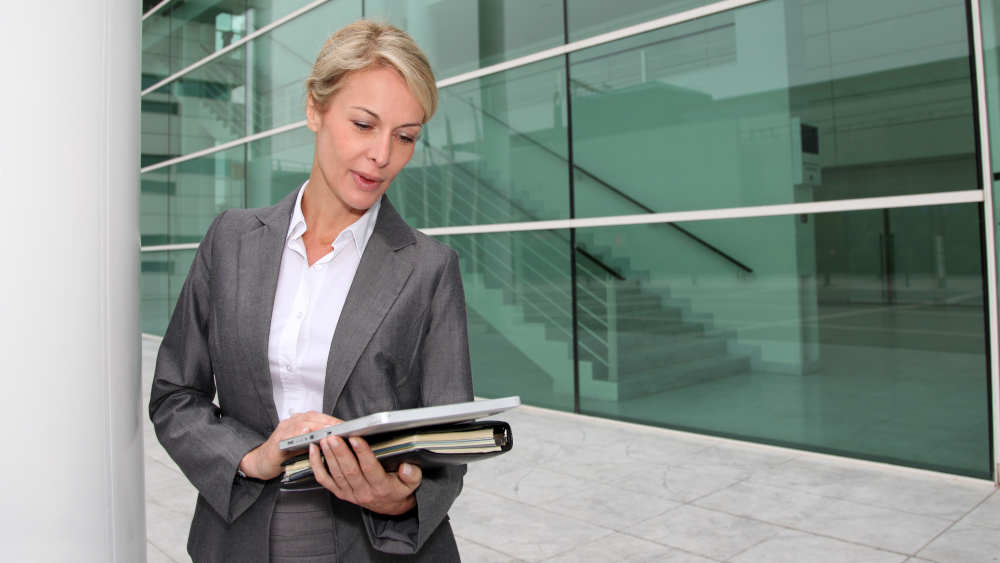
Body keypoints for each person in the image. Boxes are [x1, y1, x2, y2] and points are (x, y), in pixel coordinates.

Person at [149, 20, 473, 562]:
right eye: (364, 124)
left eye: (405, 136)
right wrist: (251, 456)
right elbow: (174, 396)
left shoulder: (430, 268)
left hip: (374, 544)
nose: (382, 155)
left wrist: (399, 499)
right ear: (315, 110)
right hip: (240, 531)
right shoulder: (230, 240)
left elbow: (447, 443)